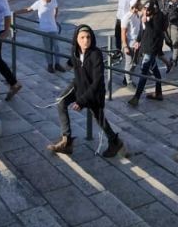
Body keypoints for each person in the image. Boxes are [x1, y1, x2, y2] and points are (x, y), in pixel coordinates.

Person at [47, 25, 124, 158]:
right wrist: (67, 65)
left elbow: (97, 81)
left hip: (94, 92)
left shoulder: (96, 54)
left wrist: (82, 100)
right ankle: (67, 141)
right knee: (61, 102)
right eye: (82, 37)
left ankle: (114, 142)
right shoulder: (75, 51)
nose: (85, 40)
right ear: (76, 39)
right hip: (78, 86)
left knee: (99, 119)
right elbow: (74, 63)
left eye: (88, 37)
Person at [129, 0, 167, 105]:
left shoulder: (158, 18)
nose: (145, 12)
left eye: (147, 10)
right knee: (155, 69)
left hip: (152, 48)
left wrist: (147, 22)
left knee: (144, 72)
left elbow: (155, 32)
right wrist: (138, 40)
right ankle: (158, 93)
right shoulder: (145, 17)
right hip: (145, 46)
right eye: (144, 9)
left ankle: (136, 97)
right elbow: (142, 30)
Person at [17, 0, 63, 73]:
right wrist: (15, 13)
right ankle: (50, 65)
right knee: (47, 48)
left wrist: (55, 17)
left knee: (56, 47)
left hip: (53, 28)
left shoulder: (54, 1)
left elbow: (56, 8)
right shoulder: (39, 3)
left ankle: (57, 64)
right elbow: (28, 9)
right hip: (44, 29)